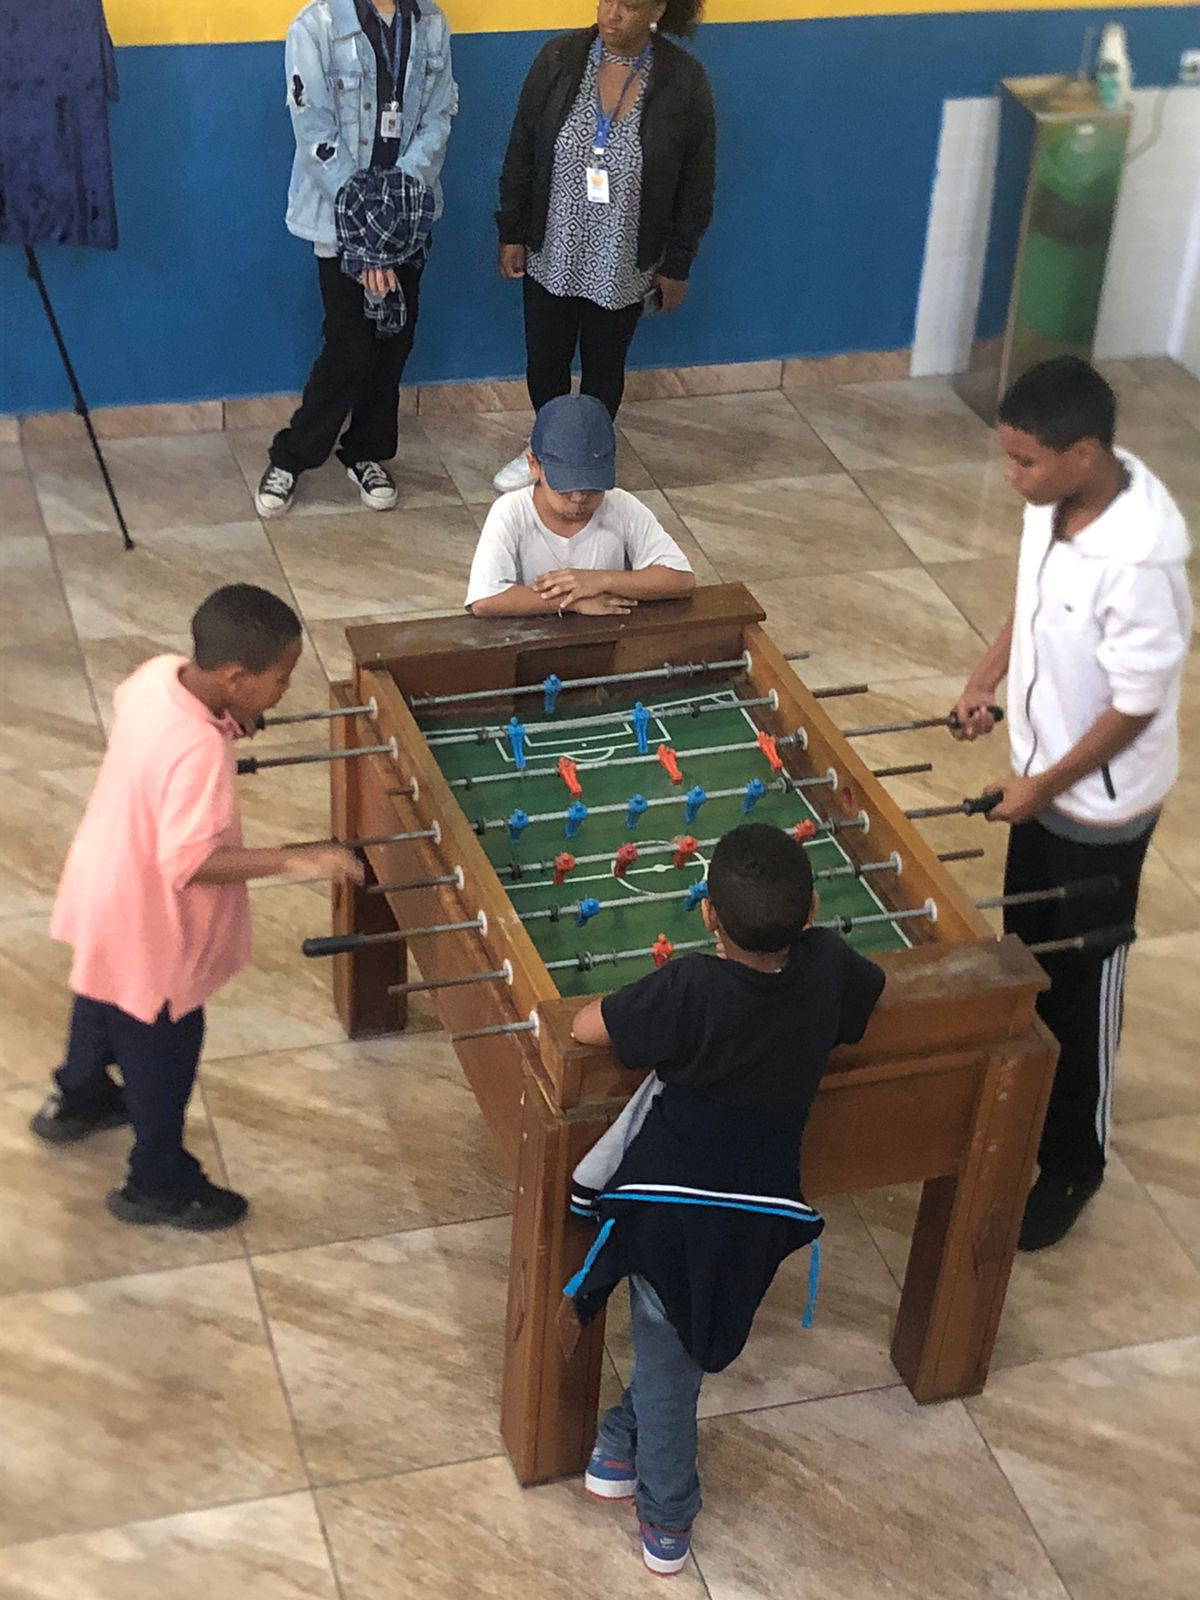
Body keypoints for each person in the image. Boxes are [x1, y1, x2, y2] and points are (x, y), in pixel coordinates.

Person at [565, 824, 886, 1573]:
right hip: (756, 1220)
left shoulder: (689, 988)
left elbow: (588, 1029)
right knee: (680, 1346)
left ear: (707, 912)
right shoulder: (829, 966)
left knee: (673, 1357)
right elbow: (864, 1002)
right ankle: (616, 1448)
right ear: (809, 917)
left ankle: (667, 1517)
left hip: (670, 1216)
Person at [951, 356, 1192, 1251]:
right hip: (1040, 781)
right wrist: (986, 679)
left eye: (1025, 462)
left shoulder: (1140, 567)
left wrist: (1044, 786)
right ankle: (1023, 1103)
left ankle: (1073, 1161)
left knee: (1084, 982)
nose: (1011, 479)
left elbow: (1136, 706)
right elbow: (1033, 600)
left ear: (1083, 453)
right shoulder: (1053, 505)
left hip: (1100, 811)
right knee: (1026, 949)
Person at [31, 585, 364, 1231]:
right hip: (148, 926)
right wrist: (300, 858)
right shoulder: (201, 754)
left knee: (102, 992)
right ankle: (156, 1182)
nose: (285, 689)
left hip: (102, 884)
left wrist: (228, 720)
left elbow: (160, 725)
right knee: (164, 1049)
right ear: (235, 678)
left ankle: (78, 1098)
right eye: (280, 678)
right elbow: (190, 862)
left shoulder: (159, 676)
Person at [492, 0, 715, 493]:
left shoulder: (683, 81)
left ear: (658, 9)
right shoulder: (559, 59)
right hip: (554, 245)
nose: (612, 14)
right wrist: (511, 230)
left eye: (630, 6)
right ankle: (545, 452)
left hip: (622, 256)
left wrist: (677, 263)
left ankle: (588, 460)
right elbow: (523, 148)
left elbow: (697, 184)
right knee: (545, 361)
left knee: (603, 366)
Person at [256, 0, 457, 519]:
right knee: (350, 343)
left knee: (394, 341)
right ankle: (293, 454)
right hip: (338, 218)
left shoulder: (431, 24)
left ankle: (365, 450)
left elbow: (437, 119)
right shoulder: (316, 25)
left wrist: (393, 212)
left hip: (409, 215)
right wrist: (369, 230)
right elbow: (314, 130)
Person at [465, 393, 695, 618]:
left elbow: (681, 579)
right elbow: (485, 600)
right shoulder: (511, 511)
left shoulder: (622, 506)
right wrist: (573, 602)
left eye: (592, 487)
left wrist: (601, 580)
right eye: (564, 486)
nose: (578, 497)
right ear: (534, 466)